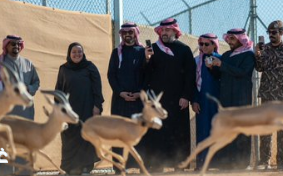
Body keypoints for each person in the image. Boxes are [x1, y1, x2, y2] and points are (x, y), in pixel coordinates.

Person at [142, 18, 196, 172]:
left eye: (167, 30)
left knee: (179, 133)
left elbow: (190, 75)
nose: (164, 33)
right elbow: (145, 74)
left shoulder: (184, 50)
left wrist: (186, 96)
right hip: (157, 100)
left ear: (175, 31)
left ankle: (179, 165)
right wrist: (146, 59)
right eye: (162, 30)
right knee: (158, 132)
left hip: (179, 100)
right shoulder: (152, 49)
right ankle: (157, 163)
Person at [55, 42, 104, 175]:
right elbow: (59, 90)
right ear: (69, 54)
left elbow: (97, 89)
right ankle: (70, 169)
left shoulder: (90, 67)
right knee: (68, 138)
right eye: (74, 52)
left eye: (79, 52)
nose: (77, 54)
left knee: (86, 138)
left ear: (83, 53)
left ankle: (85, 168)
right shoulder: (63, 69)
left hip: (87, 109)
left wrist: (97, 106)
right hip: (69, 111)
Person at [255, 21, 283, 170]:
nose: (271, 35)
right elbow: (259, 68)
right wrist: (257, 54)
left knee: (282, 130)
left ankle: (281, 162)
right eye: (269, 32)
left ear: (282, 32)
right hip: (267, 94)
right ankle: (264, 161)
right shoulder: (264, 49)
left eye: (274, 32)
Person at [210, 28, 255, 170]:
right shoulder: (226, 55)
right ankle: (227, 162)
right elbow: (219, 75)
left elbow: (243, 72)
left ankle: (243, 163)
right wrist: (212, 67)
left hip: (241, 99)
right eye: (228, 39)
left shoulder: (248, 55)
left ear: (241, 39)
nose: (229, 41)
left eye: (232, 39)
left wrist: (221, 65)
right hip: (226, 99)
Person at [107, 22, 146, 168]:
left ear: (135, 34)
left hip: (138, 101)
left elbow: (147, 76)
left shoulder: (143, 52)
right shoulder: (116, 53)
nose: (128, 35)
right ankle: (119, 166)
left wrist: (139, 93)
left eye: (130, 32)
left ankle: (139, 166)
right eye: (125, 33)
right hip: (120, 101)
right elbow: (111, 75)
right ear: (122, 35)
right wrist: (121, 92)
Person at [0, 34, 40, 119]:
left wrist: (28, 88)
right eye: (13, 44)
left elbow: (36, 83)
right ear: (6, 45)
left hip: (26, 113)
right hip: (6, 114)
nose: (16, 46)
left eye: (19, 44)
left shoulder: (28, 64)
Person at [192, 33, 222, 170]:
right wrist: (194, 100)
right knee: (203, 131)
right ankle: (202, 163)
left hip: (217, 101)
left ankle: (217, 163)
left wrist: (215, 67)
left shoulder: (221, 60)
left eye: (206, 44)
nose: (203, 47)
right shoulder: (196, 61)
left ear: (214, 45)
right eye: (201, 44)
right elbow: (192, 84)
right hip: (201, 101)